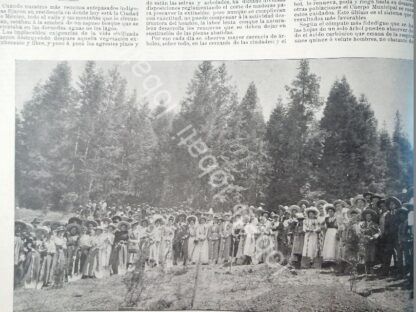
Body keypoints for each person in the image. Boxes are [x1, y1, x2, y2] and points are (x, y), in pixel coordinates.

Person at [382, 196, 401, 276]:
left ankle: (399, 271)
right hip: (389, 237)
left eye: (393, 204)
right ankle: (386, 271)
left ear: (396, 205)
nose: (392, 206)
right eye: (390, 205)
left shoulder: (399, 213)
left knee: (398, 254)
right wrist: (386, 233)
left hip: (397, 236)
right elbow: (386, 226)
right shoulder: (387, 215)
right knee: (388, 253)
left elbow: (400, 224)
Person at [359, 209, 380, 274]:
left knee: (372, 255)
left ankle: (372, 270)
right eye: (367, 216)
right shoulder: (362, 224)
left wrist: (373, 237)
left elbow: (379, 232)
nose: (368, 217)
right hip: (365, 242)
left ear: (371, 217)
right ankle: (366, 270)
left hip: (372, 242)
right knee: (366, 255)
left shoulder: (375, 224)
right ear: (365, 217)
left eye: (369, 216)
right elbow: (360, 232)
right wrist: (363, 237)